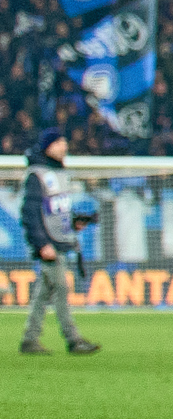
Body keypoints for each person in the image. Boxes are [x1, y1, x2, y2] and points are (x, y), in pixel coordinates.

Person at [17, 129, 99, 356]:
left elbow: (54, 212)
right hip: (48, 245)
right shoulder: (38, 175)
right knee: (61, 288)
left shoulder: (59, 174)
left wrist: (74, 222)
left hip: (57, 243)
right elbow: (30, 213)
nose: (65, 146)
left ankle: (29, 339)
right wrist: (42, 243)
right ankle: (73, 340)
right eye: (60, 142)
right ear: (48, 146)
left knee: (44, 292)